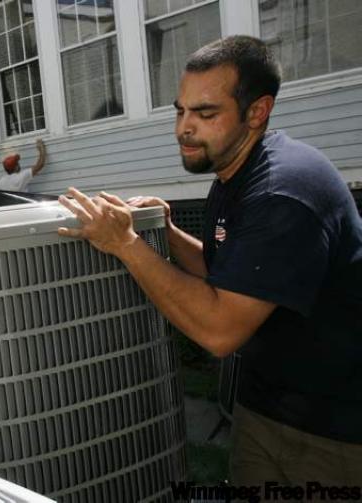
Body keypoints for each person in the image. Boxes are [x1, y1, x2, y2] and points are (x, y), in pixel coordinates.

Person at [58, 36, 362, 487]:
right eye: (180, 111)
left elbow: (219, 329)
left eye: (204, 113)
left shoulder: (284, 192)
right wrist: (169, 233)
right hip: (263, 408)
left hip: (333, 431)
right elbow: (231, 277)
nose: (184, 127)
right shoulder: (231, 172)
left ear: (256, 112)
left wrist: (124, 243)